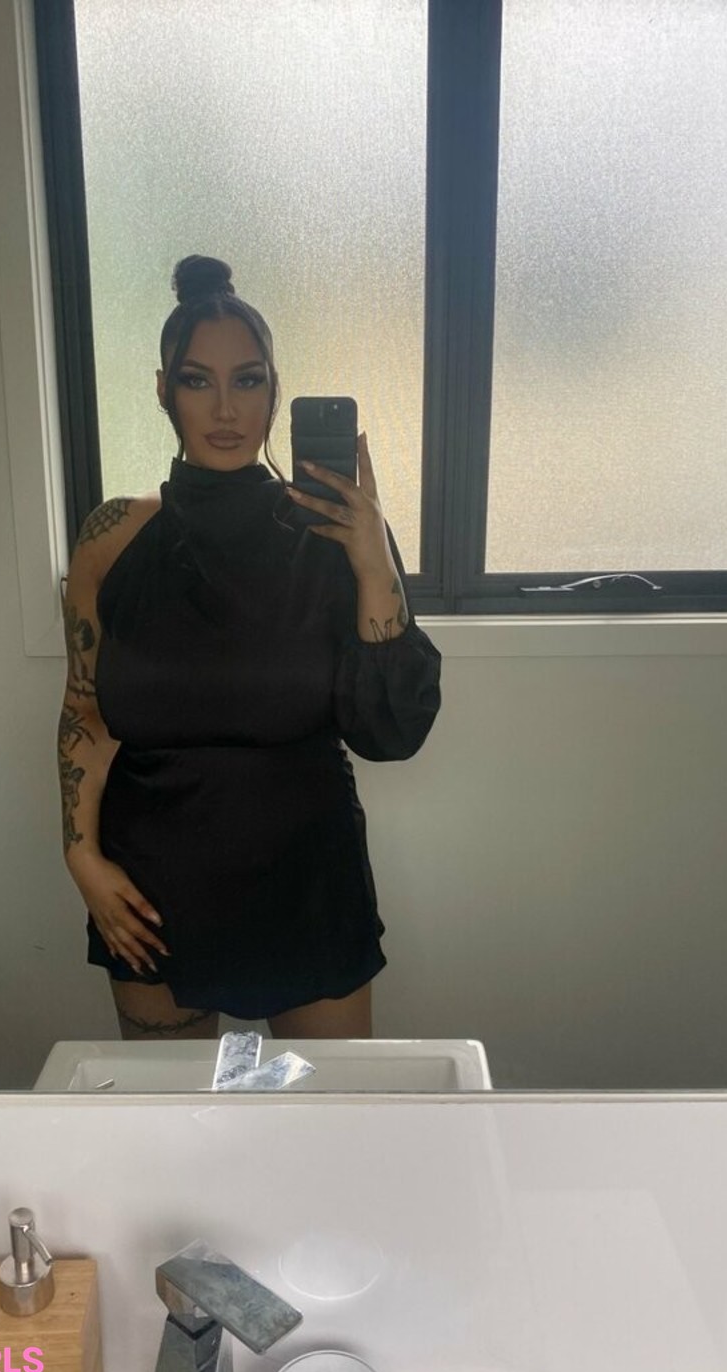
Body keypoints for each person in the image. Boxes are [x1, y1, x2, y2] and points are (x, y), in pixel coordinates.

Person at [56, 255, 441, 1042]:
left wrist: (374, 563)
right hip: (152, 888)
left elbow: (391, 732)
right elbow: (86, 713)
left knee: (314, 1107)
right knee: (185, 1112)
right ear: (163, 389)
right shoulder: (110, 539)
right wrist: (82, 858)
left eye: (250, 380)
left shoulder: (338, 535)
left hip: (307, 881)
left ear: (275, 389)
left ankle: (274, 1112)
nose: (226, 408)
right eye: (198, 380)